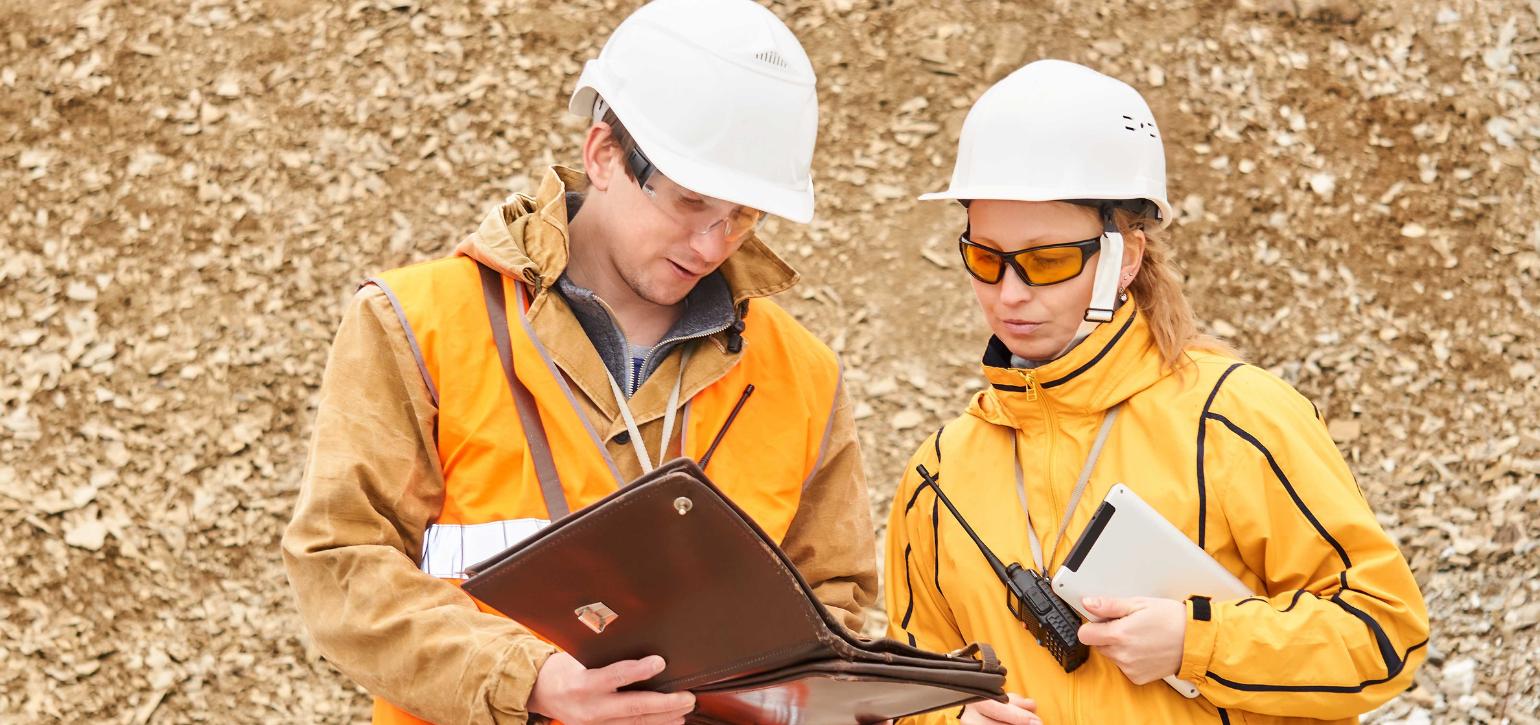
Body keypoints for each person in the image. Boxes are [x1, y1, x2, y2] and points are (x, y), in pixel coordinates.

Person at [281, 2, 878, 723]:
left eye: (745, 215)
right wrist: (523, 675)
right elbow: (340, 566)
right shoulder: (419, 327)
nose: (715, 243)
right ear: (603, 154)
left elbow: (837, 622)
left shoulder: (801, 378)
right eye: (692, 202)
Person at [884, 59, 1429, 724]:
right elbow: (901, 686)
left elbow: (1385, 633)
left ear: (1127, 257)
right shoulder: (937, 479)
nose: (1010, 292)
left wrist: (1197, 642)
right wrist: (946, 720)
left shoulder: (1239, 421)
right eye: (985, 257)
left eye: (1048, 261)